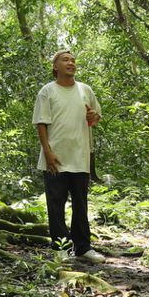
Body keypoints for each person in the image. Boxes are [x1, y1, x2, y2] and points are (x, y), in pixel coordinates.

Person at [34, 50, 106, 263]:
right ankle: (61, 248)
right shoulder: (47, 91)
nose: (71, 63)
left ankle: (83, 247)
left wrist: (94, 116)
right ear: (55, 66)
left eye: (73, 60)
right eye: (65, 60)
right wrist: (47, 152)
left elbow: (95, 118)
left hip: (80, 156)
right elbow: (41, 122)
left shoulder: (85, 90)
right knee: (55, 205)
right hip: (55, 157)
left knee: (80, 204)